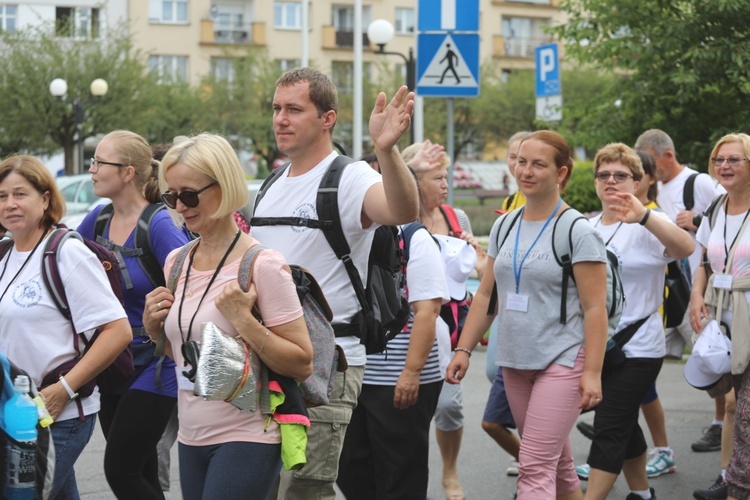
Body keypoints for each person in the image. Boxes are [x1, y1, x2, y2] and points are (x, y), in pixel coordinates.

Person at [250, 67, 419, 500]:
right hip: (268, 360)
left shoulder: (348, 176)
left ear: (327, 118)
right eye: (276, 109)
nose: (280, 119)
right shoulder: (271, 184)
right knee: (264, 489)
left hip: (329, 363)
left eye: (294, 109)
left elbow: (400, 209)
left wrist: (386, 151)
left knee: (303, 491)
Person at [141, 133, 313, 500]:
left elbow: (302, 362)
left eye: (190, 194)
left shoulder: (263, 264)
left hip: (248, 433)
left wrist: (246, 321)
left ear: (224, 185)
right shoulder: (177, 262)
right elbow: (192, 358)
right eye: (171, 196)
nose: (181, 206)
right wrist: (153, 329)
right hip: (191, 435)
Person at [447, 130, 608, 499]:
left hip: (563, 358)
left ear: (562, 173)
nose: (526, 171)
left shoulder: (577, 230)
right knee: (559, 465)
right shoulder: (505, 224)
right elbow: (488, 293)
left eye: (538, 164)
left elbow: (594, 307)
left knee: (534, 466)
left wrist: (593, 373)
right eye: (521, 161)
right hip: (515, 359)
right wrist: (464, 349)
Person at [0, 155, 132, 499]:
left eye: (20, 194)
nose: (10, 204)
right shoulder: (3, 255)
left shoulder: (66, 253)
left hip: (58, 415)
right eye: (1, 196)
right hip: (15, 416)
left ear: (45, 199)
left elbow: (118, 331)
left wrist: (64, 389)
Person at [574, 143, 694, 500]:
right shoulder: (585, 225)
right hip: (596, 345)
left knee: (608, 426)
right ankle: (641, 493)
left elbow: (685, 248)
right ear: (595, 181)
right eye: (604, 174)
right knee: (622, 422)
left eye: (621, 175)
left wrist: (643, 216)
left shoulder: (651, 223)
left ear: (638, 181)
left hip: (639, 345)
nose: (611, 181)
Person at [76, 130, 190, 499]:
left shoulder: (157, 224)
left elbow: (192, 289)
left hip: (157, 365)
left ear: (127, 172)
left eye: (98, 162)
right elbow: (63, 259)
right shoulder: (98, 219)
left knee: (119, 470)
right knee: (141, 473)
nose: (91, 169)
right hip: (114, 362)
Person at [337, 183, 450, 498]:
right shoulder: (345, 235)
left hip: (401, 376)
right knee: (350, 467)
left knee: (400, 472)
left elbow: (428, 311)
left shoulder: (413, 237)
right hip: (353, 372)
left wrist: (411, 373)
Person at [400, 140, 486, 500]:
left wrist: (473, 250)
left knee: (449, 406)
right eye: (437, 177)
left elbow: (481, 270)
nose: (446, 184)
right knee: (405, 407)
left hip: (449, 324)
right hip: (404, 324)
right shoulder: (398, 216)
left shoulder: (456, 218)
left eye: (447, 176)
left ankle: (450, 473)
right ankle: (404, 474)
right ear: (414, 179)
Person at [635, 129, 727, 454]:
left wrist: (696, 219)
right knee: (645, 362)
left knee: (710, 359)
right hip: (668, 290)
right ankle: (622, 422)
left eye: (648, 160)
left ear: (667, 156)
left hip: (696, 288)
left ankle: (722, 423)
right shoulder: (653, 189)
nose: (644, 167)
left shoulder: (697, 182)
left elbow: (730, 216)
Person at [690, 133, 750, 500]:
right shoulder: (715, 208)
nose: (724, 166)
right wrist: (697, 295)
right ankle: (729, 476)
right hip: (723, 319)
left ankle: (736, 487)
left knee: (745, 410)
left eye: (734, 159)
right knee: (731, 403)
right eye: (719, 159)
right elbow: (701, 261)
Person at [499, 131, 533, 213]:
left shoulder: (548, 201)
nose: (517, 162)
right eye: (512, 157)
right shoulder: (508, 202)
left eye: (522, 158)